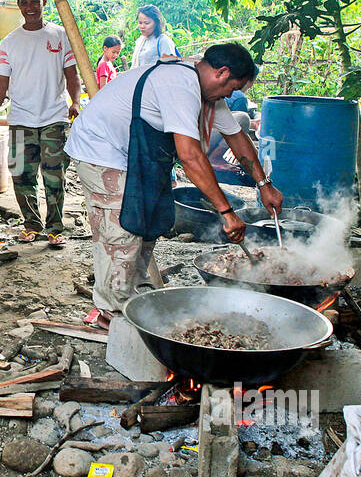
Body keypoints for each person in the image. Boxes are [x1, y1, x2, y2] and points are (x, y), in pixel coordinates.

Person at [64, 42, 283, 328]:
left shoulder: (207, 90)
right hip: (101, 151)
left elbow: (236, 137)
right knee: (122, 233)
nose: (229, 96)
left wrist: (265, 185)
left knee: (146, 224)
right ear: (222, 73)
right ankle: (113, 315)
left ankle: (134, 296)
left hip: (135, 156)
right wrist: (227, 213)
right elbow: (190, 157)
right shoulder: (180, 85)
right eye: (232, 89)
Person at [0, 0, 81, 248]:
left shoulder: (60, 35)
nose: (30, 7)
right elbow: (0, 83)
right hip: (20, 119)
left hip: (54, 116)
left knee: (54, 175)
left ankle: (55, 228)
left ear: (44, 2)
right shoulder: (10, 43)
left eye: (34, 1)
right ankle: (31, 225)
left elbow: (71, 74)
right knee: (22, 175)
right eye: (24, 2)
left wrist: (76, 101)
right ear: (18, 5)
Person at [129, 4, 178, 69]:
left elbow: (170, 67)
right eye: (140, 23)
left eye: (146, 23)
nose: (142, 26)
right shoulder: (140, 41)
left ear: (156, 23)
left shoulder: (163, 41)